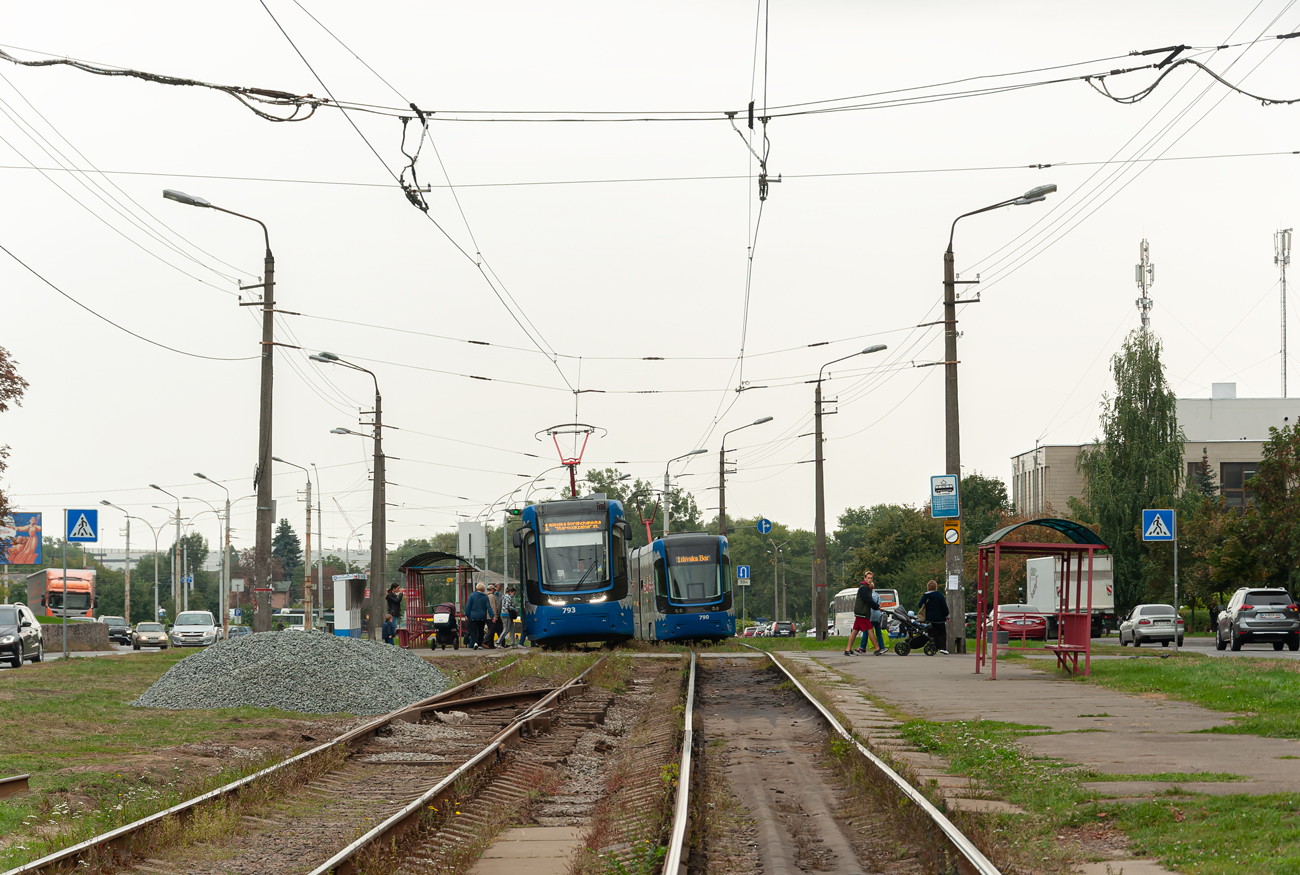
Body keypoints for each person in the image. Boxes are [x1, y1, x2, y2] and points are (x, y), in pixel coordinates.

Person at [845, 573, 883, 656]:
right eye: (868, 578)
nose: (870, 580)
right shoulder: (863, 589)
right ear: (864, 578)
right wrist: (877, 607)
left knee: (855, 631)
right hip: (862, 614)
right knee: (870, 630)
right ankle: (877, 649)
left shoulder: (866, 588)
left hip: (861, 613)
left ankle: (847, 650)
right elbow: (868, 600)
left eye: (871, 578)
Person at [918, 580, 950, 654]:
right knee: (942, 633)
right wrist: (947, 615)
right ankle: (942, 648)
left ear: (928, 587)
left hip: (929, 618)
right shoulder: (939, 595)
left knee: (932, 634)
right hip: (940, 619)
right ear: (936, 587)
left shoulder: (925, 596)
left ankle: (933, 647)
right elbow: (944, 607)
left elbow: (920, 605)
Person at [465, 582, 494, 650]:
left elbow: (468, 606)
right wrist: (492, 616)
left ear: (477, 588)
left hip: (473, 616)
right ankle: (480, 644)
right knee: (481, 630)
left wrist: (467, 614)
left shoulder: (472, 596)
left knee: (473, 630)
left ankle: (475, 643)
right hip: (482, 616)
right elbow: (488, 607)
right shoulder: (485, 597)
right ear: (483, 589)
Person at [485, 584, 502, 649]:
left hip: (487, 615)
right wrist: (494, 616)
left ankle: (490, 644)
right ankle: (485, 641)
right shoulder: (491, 596)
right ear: (492, 590)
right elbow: (493, 607)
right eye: (494, 589)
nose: (495, 591)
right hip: (491, 616)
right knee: (492, 629)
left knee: (491, 629)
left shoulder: (486, 595)